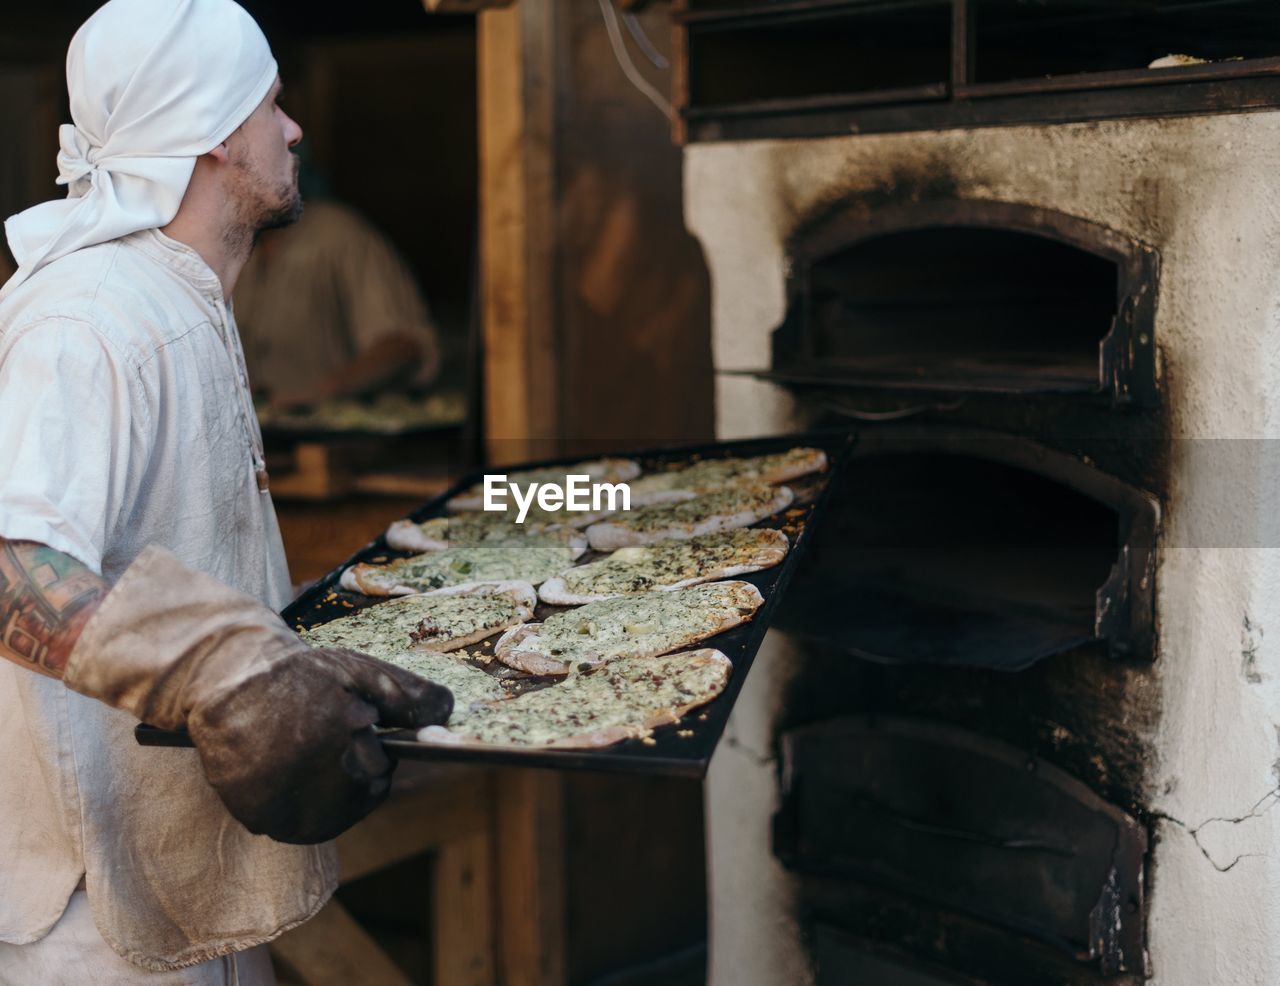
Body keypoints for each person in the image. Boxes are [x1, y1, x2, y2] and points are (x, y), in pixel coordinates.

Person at [0, 1, 452, 982]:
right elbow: (9, 567)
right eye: (270, 105)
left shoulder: (174, 297)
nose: (291, 130)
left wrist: (275, 662)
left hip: (176, 869)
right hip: (88, 912)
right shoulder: (90, 319)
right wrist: (224, 673)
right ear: (209, 133)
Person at [235, 197, 441, 410]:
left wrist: (326, 391)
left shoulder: (339, 235)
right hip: (261, 435)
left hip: (341, 434)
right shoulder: (233, 246)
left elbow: (405, 344)